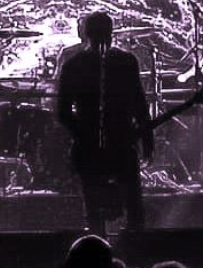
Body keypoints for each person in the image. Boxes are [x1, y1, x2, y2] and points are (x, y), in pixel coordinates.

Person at [57, 12, 154, 234]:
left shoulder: (73, 65)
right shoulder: (126, 61)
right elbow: (140, 106)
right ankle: (135, 247)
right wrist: (147, 141)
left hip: (90, 147)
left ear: (85, 34)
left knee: (94, 210)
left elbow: (63, 112)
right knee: (133, 207)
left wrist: (83, 135)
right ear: (111, 33)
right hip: (122, 143)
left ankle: (96, 247)